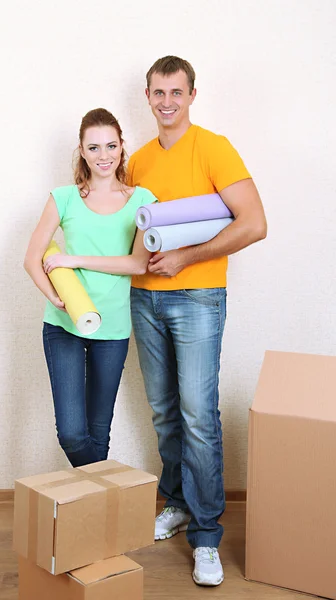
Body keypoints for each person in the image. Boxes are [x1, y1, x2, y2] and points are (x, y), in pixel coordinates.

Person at [128, 56, 267, 587]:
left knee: (198, 417)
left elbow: (254, 222)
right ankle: (180, 502)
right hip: (145, 300)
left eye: (176, 92)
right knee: (164, 412)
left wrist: (188, 257)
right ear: (147, 96)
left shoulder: (213, 147)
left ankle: (207, 536)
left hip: (198, 299)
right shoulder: (137, 162)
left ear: (191, 95)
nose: (167, 102)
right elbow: (133, 238)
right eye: (158, 92)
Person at [24, 108, 155, 468]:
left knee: (99, 433)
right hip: (64, 326)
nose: (104, 156)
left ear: (121, 147)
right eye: (94, 147)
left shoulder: (143, 200)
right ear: (82, 150)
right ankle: (109, 499)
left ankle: (95, 518)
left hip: (112, 328)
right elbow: (32, 258)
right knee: (71, 433)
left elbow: (137, 263)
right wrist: (53, 296)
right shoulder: (63, 198)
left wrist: (74, 259)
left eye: (111, 146)